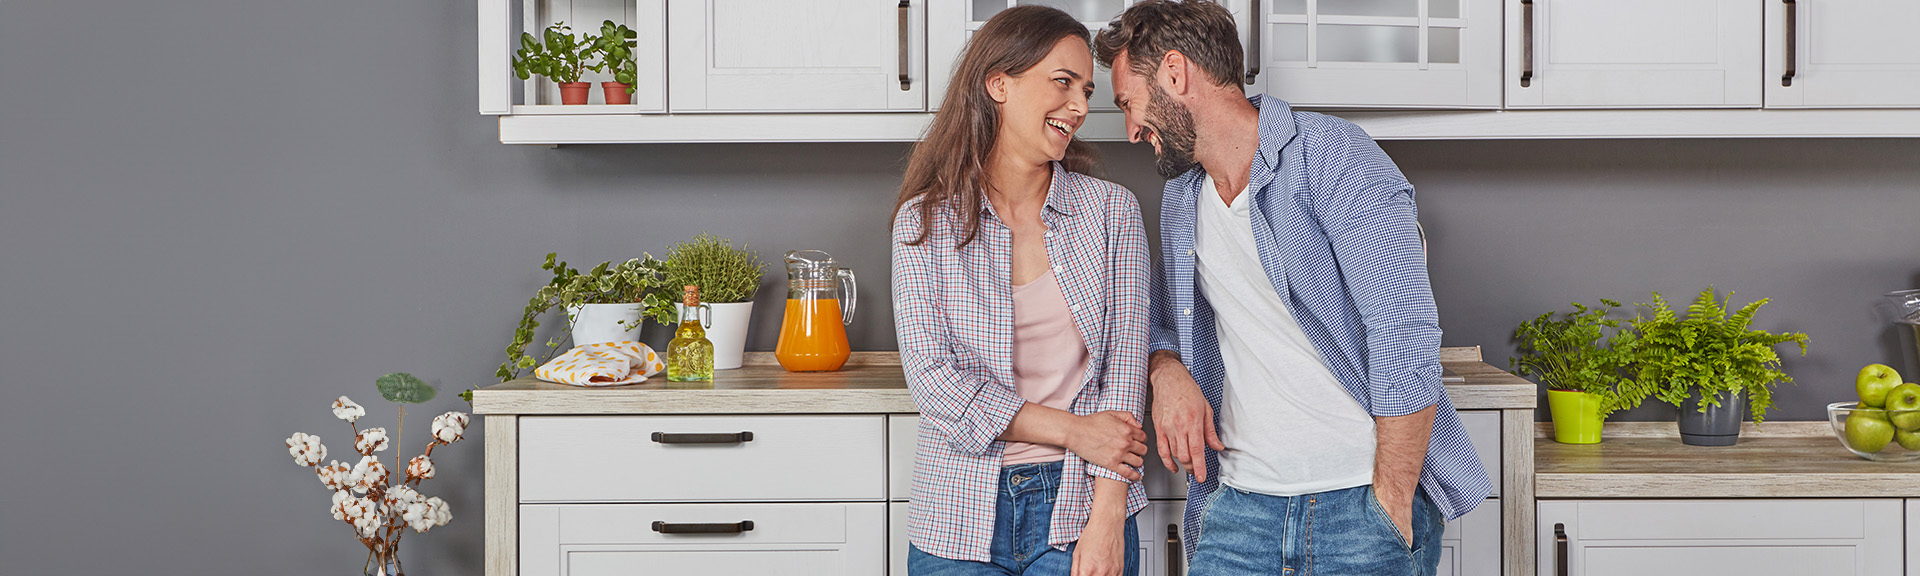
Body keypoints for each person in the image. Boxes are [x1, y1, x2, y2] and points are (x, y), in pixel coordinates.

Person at [1091, 2, 1493, 575]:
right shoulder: (1183, 198)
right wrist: (1165, 370)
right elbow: (1161, 321)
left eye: (1129, 102)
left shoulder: (1333, 156)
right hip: (1237, 510)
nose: (1131, 131)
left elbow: (1403, 332)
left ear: (1176, 74)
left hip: (1360, 503)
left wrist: (1392, 501)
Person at [890, 6, 1152, 576]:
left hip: (1081, 506)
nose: (1080, 107)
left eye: (1086, 90)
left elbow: (1124, 378)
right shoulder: (922, 224)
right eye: (1062, 83)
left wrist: (1108, 520)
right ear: (998, 83)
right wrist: (1076, 432)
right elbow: (935, 384)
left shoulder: (1111, 213)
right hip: (957, 513)